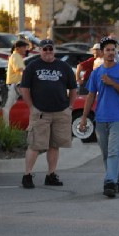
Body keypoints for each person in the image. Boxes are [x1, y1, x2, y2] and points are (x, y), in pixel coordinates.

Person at [78, 37, 119, 197]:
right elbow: (90, 95)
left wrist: (113, 83)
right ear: (102, 53)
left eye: (113, 50)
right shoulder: (97, 73)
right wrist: (84, 118)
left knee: (113, 152)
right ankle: (118, 180)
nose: (111, 53)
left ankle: (109, 183)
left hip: (118, 117)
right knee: (106, 154)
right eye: (108, 50)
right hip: (101, 119)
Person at [19, 39, 77, 189]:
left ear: (54, 50)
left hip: (60, 112)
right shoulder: (32, 67)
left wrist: (69, 106)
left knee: (55, 145)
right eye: (45, 49)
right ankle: (27, 175)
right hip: (40, 113)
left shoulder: (64, 67)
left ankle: (51, 174)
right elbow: (24, 89)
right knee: (35, 145)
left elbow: (73, 88)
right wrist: (32, 107)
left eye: (50, 49)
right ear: (40, 50)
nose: (48, 51)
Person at [3, 40, 28, 124]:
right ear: (17, 48)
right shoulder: (16, 56)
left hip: (15, 87)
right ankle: (6, 129)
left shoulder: (16, 56)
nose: (26, 49)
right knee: (7, 108)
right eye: (24, 47)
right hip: (14, 87)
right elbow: (21, 70)